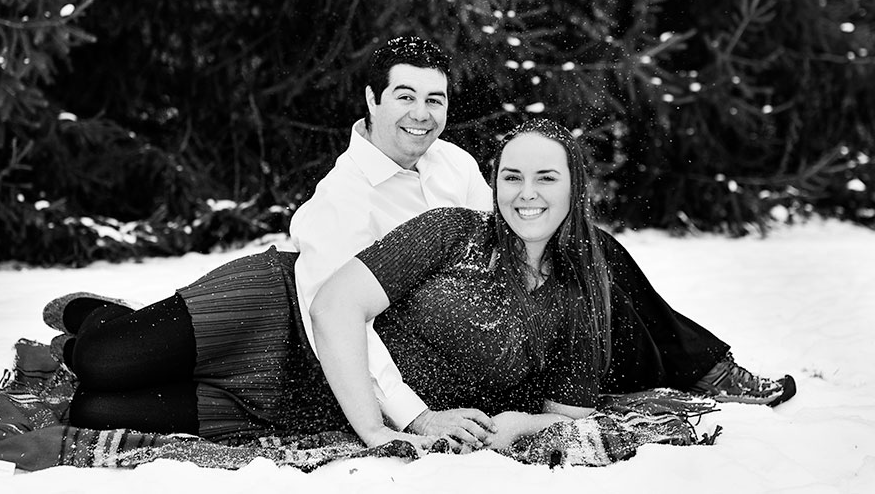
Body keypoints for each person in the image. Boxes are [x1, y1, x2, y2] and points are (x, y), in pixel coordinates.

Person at [288, 36, 794, 441]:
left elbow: (511, 230)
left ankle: (704, 368)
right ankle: (676, 372)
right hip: (431, 351)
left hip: (493, 308)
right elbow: (335, 319)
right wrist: (409, 416)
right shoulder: (341, 202)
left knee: (592, 250)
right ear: (372, 100)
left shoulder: (451, 161)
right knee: (586, 293)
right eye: (405, 97)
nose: (421, 114)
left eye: (434, 99)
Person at [46, 119, 617, 452]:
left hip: (301, 402)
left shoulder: (575, 304)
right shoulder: (453, 230)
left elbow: (571, 416)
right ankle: (98, 317)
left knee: (91, 409)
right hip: (278, 313)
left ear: (575, 189)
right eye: (511, 176)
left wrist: (525, 425)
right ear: (494, 184)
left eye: (547, 177)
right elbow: (333, 305)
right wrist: (381, 426)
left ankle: (116, 341)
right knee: (102, 359)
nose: (526, 193)